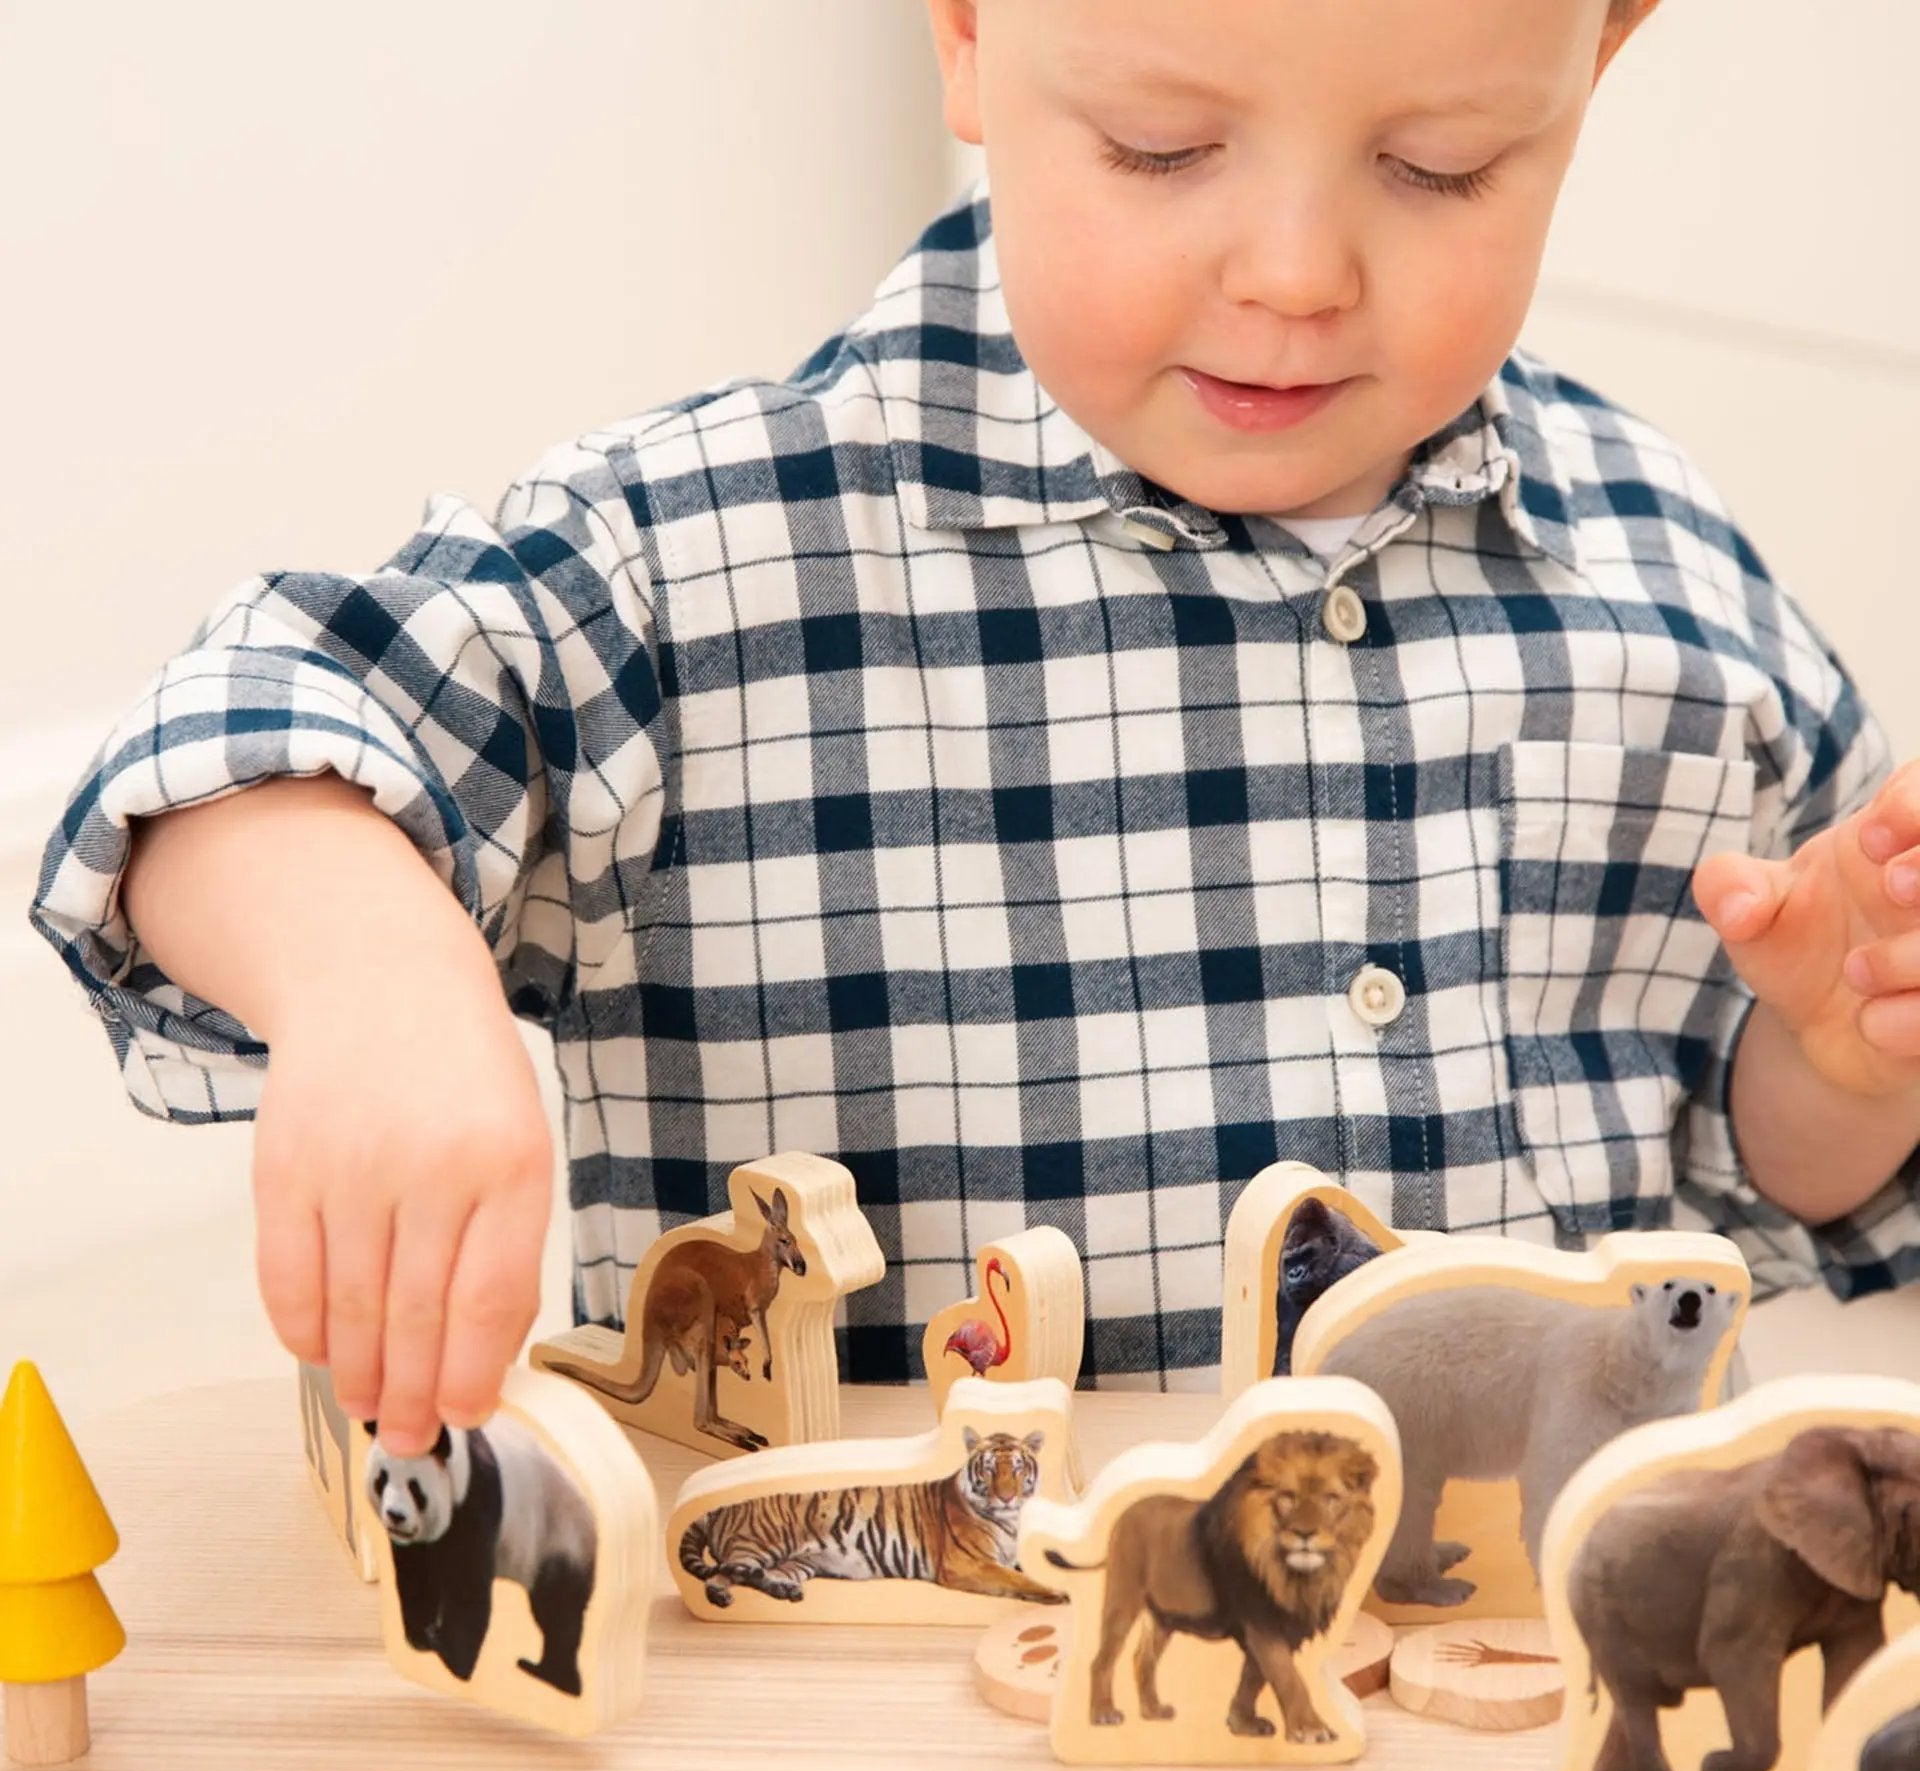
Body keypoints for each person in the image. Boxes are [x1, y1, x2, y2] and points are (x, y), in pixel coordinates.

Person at [30, 0, 1920, 1458]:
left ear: (1600, 57)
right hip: (885, 1770)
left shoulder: (1674, 584)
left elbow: (1767, 1167)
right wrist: (376, 984)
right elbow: (235, 736)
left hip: (1507, 1732)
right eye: (1164, 147)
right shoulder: (696, 565)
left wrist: (1841, 1061)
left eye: (1439, 168)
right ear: (965, 30)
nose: (1294, 270)